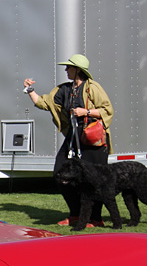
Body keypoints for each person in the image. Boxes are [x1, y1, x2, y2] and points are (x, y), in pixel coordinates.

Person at [23, 54, 113, 227]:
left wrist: (85, 112)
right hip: (74, 137)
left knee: (95, 180)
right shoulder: (64, 89)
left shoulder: (93, 88)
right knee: (60, 173)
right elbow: (44, 103)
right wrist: (30, 90)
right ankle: (76, 214)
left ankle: (95, 218)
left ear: (78, 70)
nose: (66, 70)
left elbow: (107, 110)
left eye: (69, 67)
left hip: (93, 139)